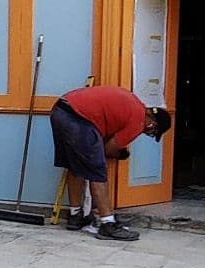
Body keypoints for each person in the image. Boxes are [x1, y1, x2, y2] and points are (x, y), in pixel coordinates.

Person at [51, 85, 172, 242]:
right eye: (152, 130)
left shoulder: (133, 104)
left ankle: (76, 216)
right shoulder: (138, 121)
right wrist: (120, 152)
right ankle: (108, 223)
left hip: (60, 110)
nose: (148, 132)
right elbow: (108, 149)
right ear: (151, 119)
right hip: (80, 119)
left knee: (75, 167)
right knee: (98, 172)